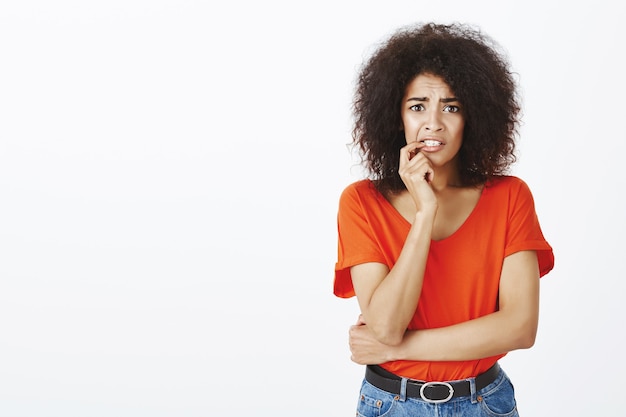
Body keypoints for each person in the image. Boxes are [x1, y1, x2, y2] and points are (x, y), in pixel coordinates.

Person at [333, 22, 554, 416]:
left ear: (474, 117)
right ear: (395, 115)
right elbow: (384, 325)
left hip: (485, 403)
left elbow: (520, 328)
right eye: (418, 106)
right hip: (391, 404)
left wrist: (397, 347)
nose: (433, 123)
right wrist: (425, 213)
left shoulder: (509, 197)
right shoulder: (361, 203)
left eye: (451, 107)